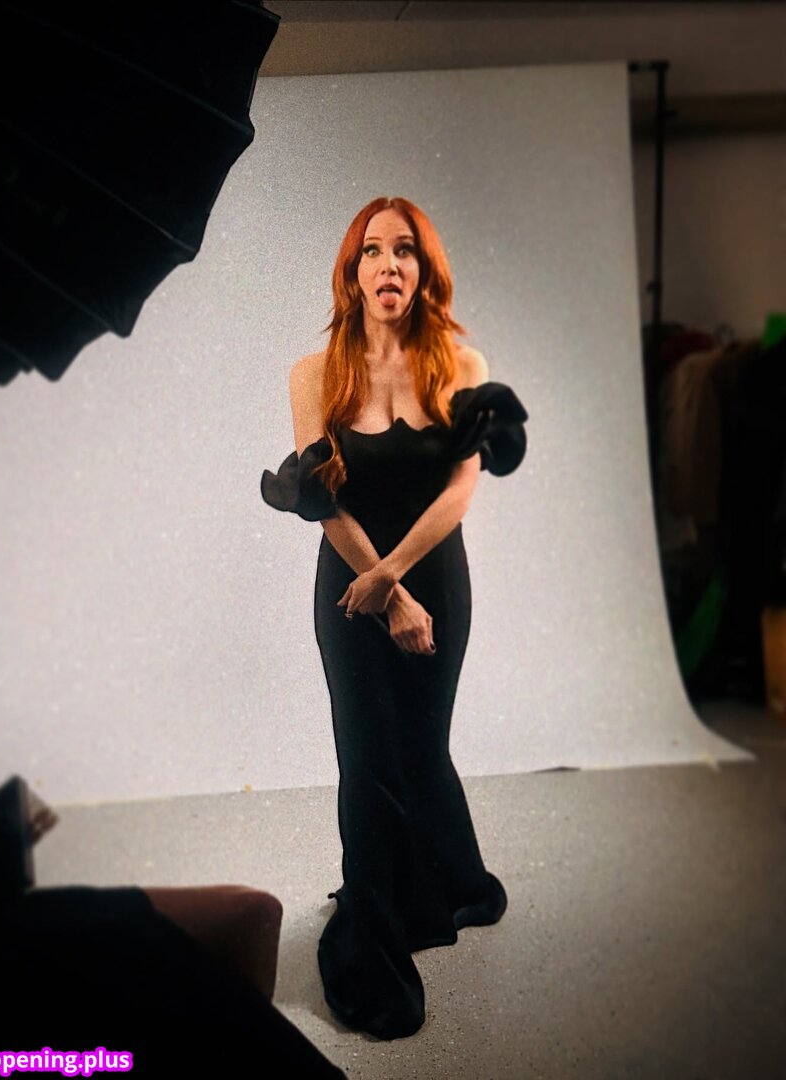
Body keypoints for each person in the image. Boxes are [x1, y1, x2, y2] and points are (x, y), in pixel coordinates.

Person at [261, 196, 528, 1040]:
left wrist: (397, 577)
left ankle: (447, 883)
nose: (388, 264)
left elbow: (461, 489)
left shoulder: (460, 362)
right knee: (367, 758)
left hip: (432, 581)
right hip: (348, 590)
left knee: (419, 746)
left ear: (424, 267)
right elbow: (320, 501)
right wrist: (377, 588)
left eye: (404, 250)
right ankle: (370, 949)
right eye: (371, 251)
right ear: (352, 273)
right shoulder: (313, 373)